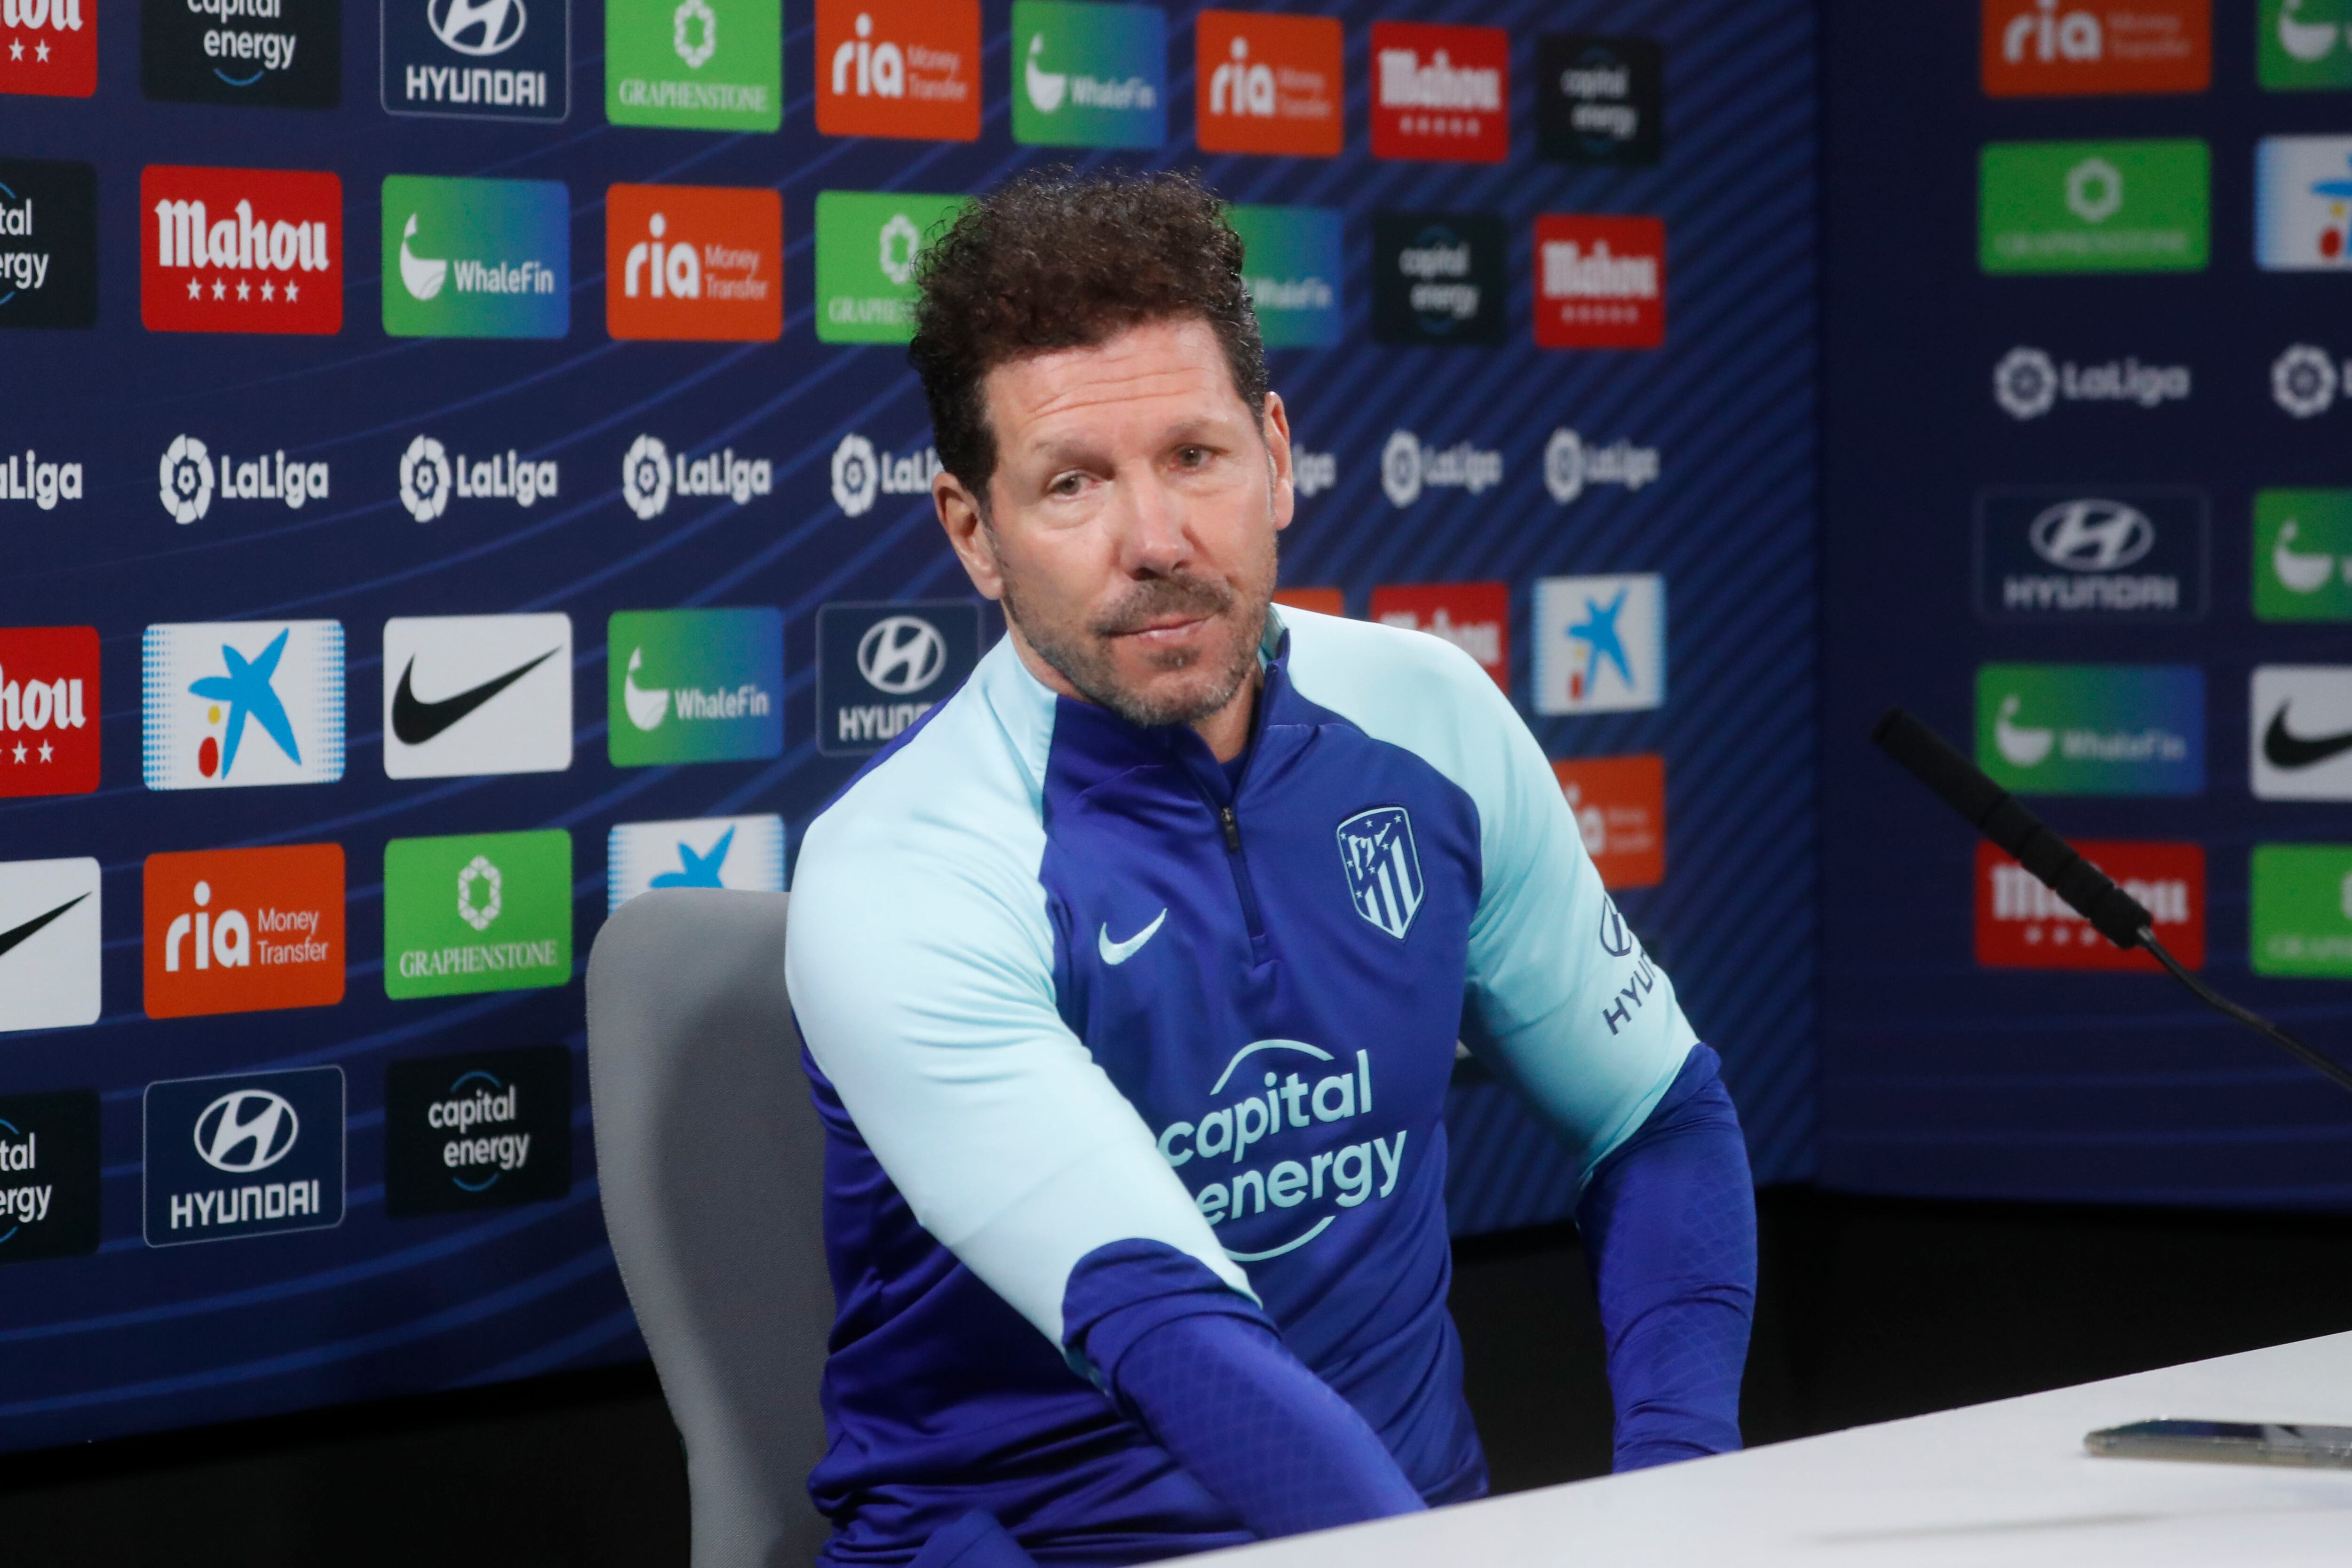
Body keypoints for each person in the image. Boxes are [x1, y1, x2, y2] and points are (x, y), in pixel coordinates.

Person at [785, 170, 1757, 1568]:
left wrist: (1685, 1504)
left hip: (1416, 1527)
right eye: (1073, 486)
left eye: (1194, 457)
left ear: (1279, 455)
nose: (1158, 542)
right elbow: (1168, 1327)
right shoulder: (907, 867)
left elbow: (1659, 1119)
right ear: (971, 532)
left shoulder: (1427, 714)